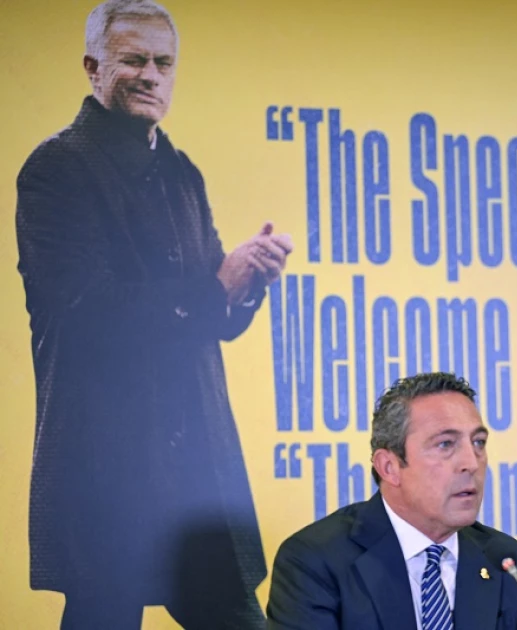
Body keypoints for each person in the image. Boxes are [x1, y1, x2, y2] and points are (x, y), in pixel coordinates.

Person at [14, 0, 292, 627]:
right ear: (92, 68)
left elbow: (215, 318)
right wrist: (212, 288)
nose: (150, 75)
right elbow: (88, 316)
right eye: (133, 60)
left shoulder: (181, 173)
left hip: (194, 480)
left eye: (163, 63)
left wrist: (246, 282)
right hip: (108, 473)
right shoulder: (55, 170)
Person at [266, 372, 517, 630]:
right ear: (389, 467)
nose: (471, 463)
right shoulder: (316, 561)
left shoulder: (508, 561)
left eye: (478, 443)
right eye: (446, 444)